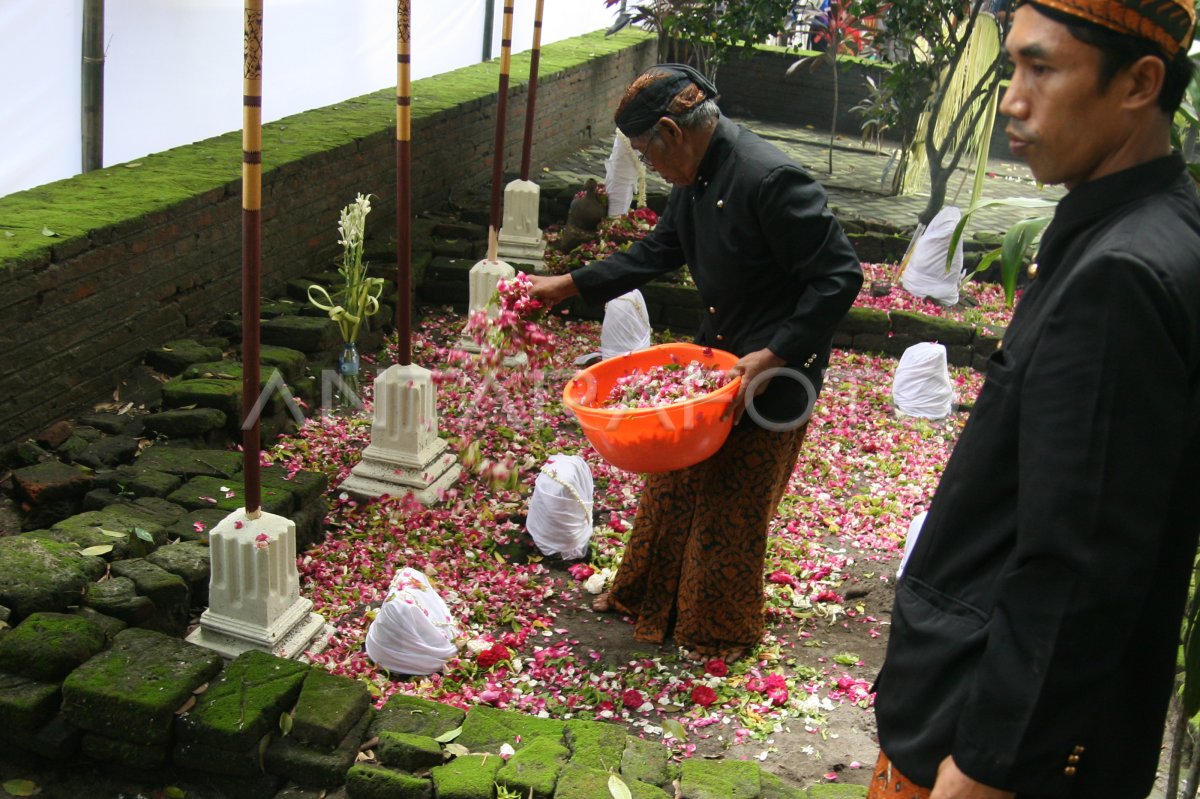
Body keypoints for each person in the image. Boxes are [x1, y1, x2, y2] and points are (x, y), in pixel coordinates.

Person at [869, 0, 1200, 795]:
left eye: (1042, 67)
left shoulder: (1120, 276)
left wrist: (987, 762)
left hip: (990, 743)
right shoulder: (1154, 229)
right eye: (1014, 64)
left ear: (1140, 82)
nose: (1014, 97)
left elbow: (1079, 559)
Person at [529, 64, 862, 662]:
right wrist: (570, 285)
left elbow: (839, 276)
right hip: (713, 363)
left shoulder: (772, 179)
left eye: (643, 152)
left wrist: (776, 353)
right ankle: (647, 596)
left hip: (774, 373)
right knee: (674, 482)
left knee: (731, 504)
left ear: (670, 131)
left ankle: (716, 629)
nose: (646, 165)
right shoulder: (696, 174)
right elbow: (661, 249)